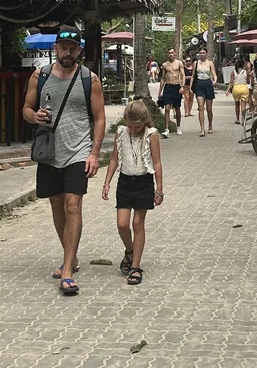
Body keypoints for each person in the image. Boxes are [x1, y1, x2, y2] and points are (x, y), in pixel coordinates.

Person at [23, 26, 106, 296]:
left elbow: (100, 118)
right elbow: (26, 108)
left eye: (73, 48)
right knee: (57, 204)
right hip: (49, 152)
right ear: (56, 48)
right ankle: (71, 256)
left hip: (78, 151)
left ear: (79, 50)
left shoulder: (90, 80)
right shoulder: (40, 76)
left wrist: (94, 153)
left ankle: (68, 270)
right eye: (63, 48)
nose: (67, 52)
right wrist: (33, 117)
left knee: (73, 204)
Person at [102, 99, 164, 286]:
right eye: (131, 126)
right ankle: (129, 251)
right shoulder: (121, 132)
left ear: (144, 122)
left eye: (138, 126)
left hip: (144, 182)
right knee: (122, 224)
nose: (134, 130)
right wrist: (107, 182)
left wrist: (159, 189)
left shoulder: (151, 135)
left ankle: (136, 266)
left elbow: (157, 162)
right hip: (125, 181)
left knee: (138, 223)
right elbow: (114, 158)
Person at [157, 47, 185, 137]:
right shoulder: (165, 65)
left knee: (177, 108)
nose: (171, 54)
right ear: (167, 54)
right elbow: (163, 78)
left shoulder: (179, 63)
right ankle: (166, 129)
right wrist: (160, 91)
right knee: (167, 108)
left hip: (177, 86)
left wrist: (182, 87)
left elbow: (183, 75)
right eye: (169, 53)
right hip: (168, 87)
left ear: (175, 53)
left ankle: (178, 127)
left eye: (172, 53)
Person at [193, 47, 218, 135]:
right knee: (200, 107)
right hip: (199, 84)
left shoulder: (210, 63)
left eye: (203, 53)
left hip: (208, 84)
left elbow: (214, 74)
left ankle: (210, 125)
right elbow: (193, 76)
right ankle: (202, 129)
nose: (202, 54)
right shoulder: (195, 63)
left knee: (209, 108)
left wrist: (214, 81)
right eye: (200, 53)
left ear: (206, 54)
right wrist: (190, 88)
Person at [228, 58, 251, 124]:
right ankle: (244, 120)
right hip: (244, 88)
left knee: (237, 104)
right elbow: (248, 81)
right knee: (243, 105)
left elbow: (231, 82)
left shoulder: (233, 72)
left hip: (236, 88)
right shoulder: (246, 72)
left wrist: (228, 89)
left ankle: (237, 119)